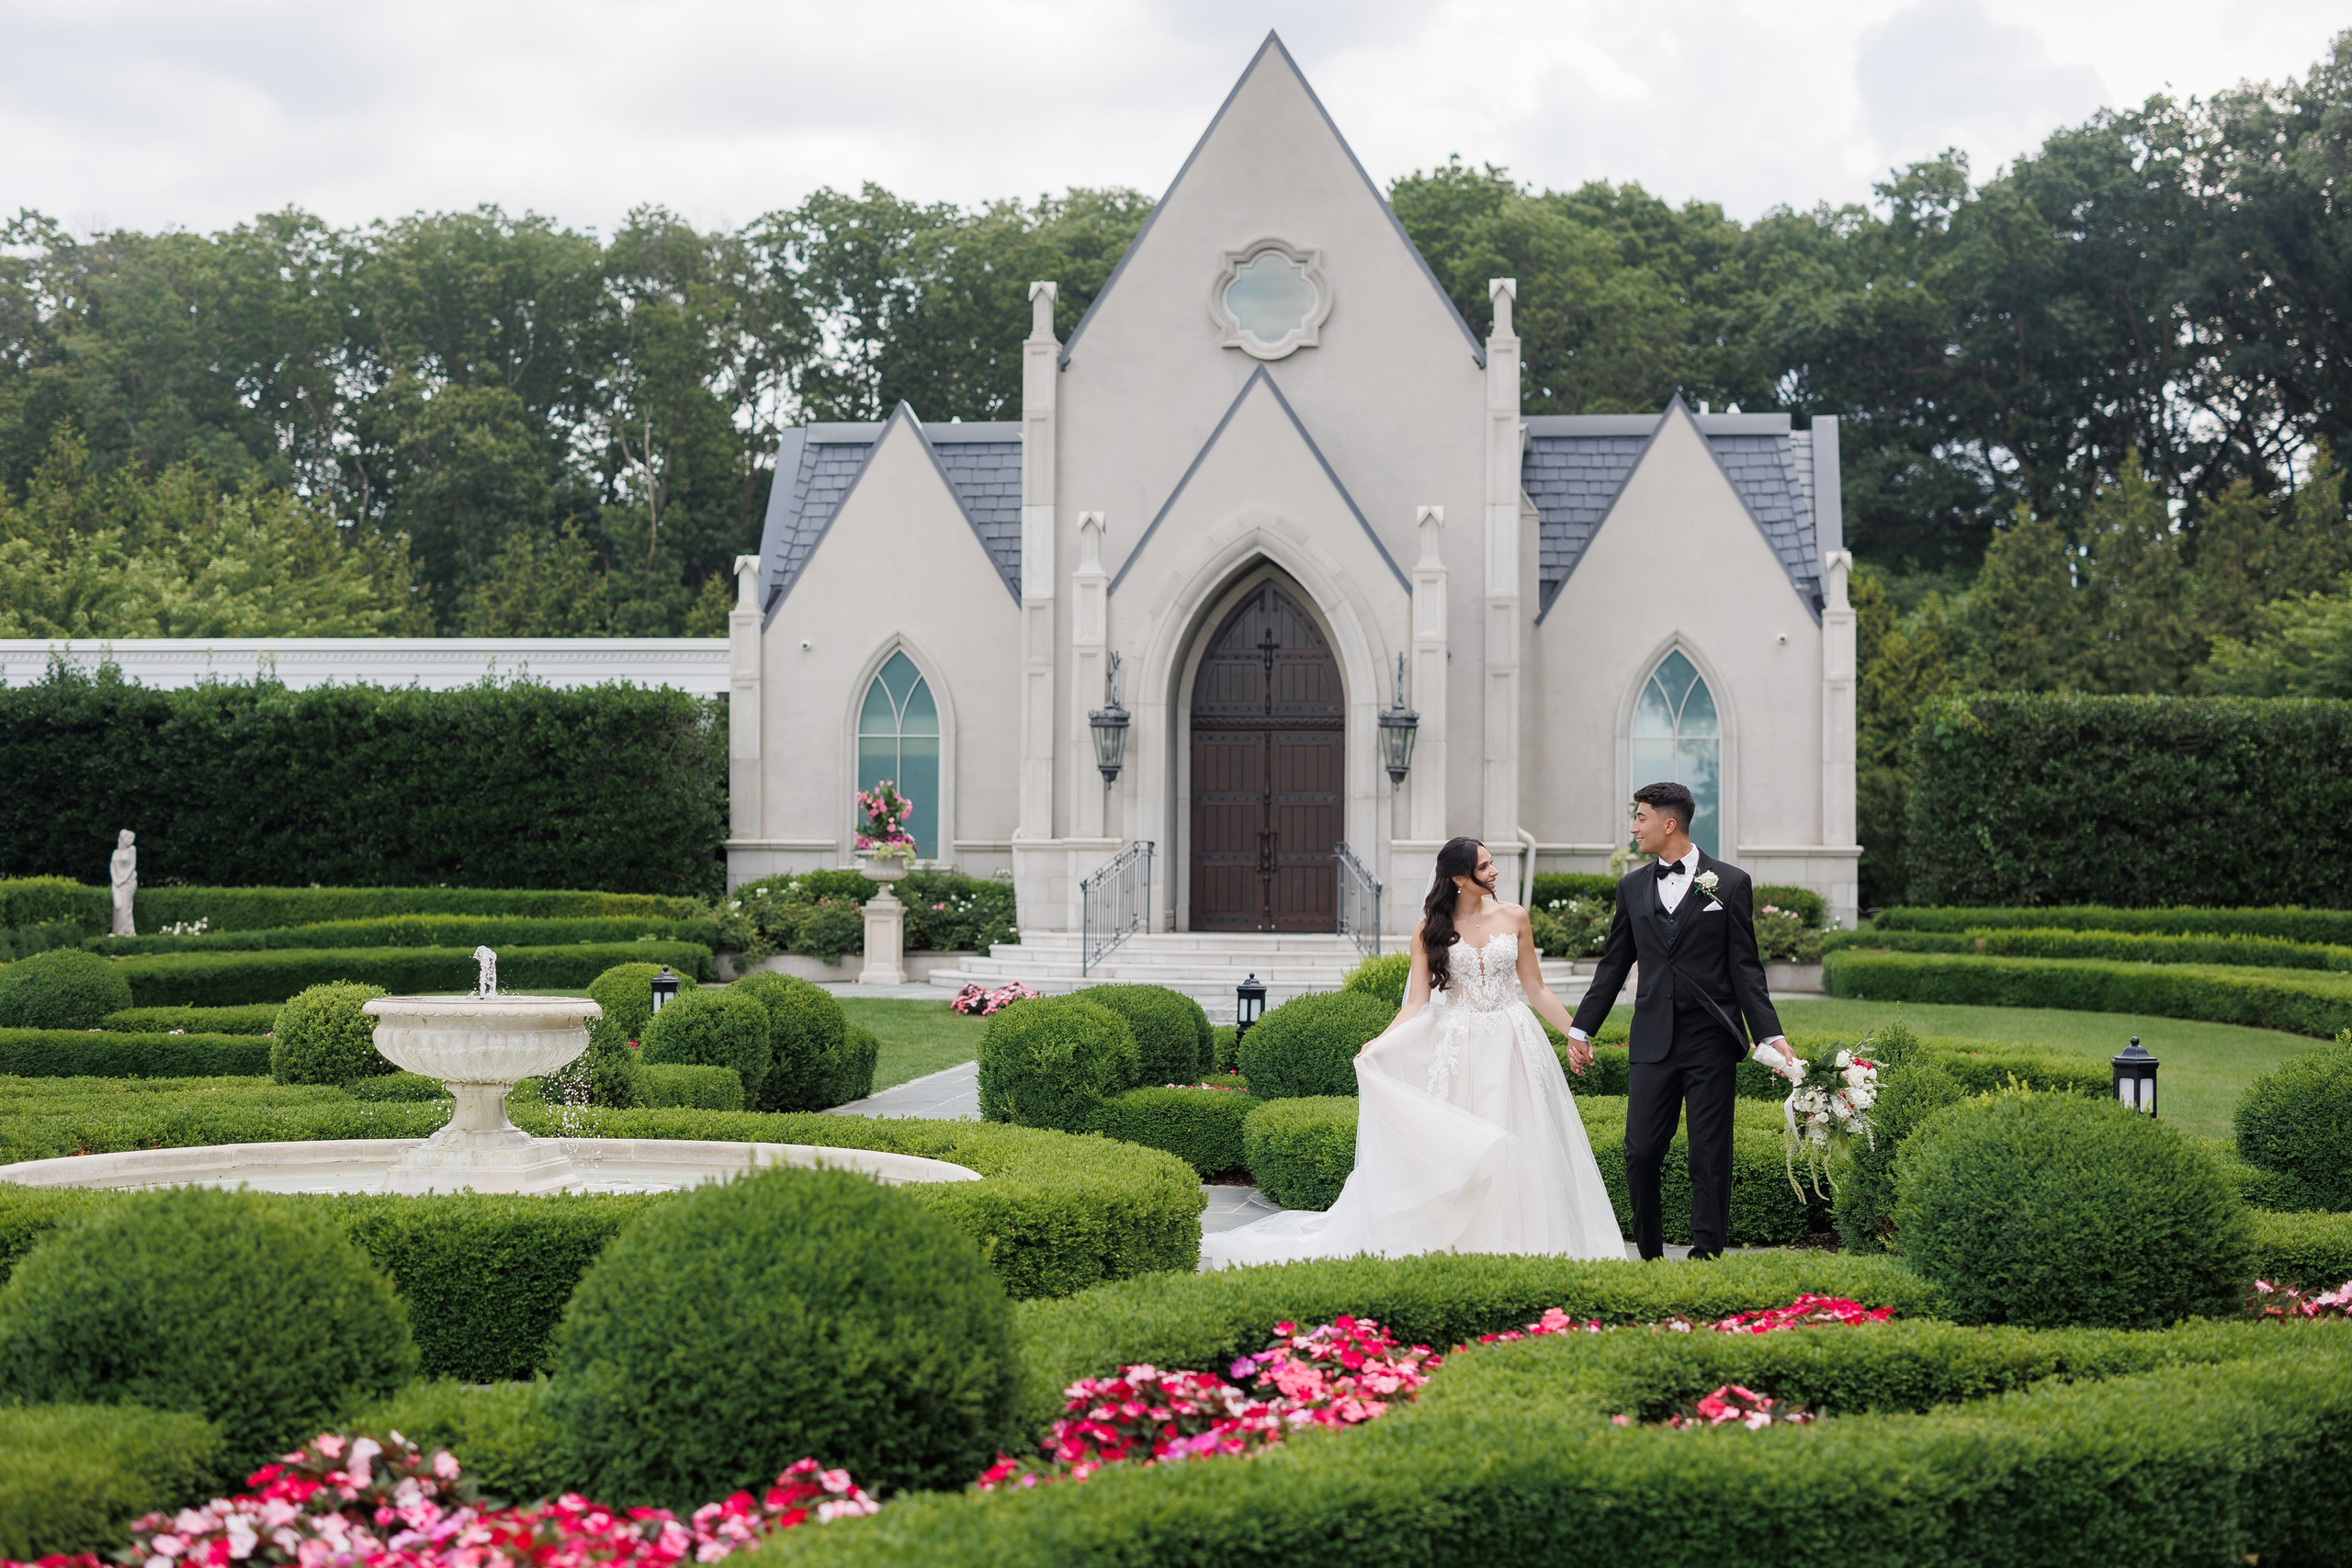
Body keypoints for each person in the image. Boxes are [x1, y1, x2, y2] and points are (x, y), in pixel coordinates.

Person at [1199, 836, 1623, 1269]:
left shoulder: (1515, 916)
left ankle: (1524, 1242)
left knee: (1525, 1137)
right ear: (1459, 878)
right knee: (1465, 1146)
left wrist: (1577, 1032)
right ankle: (1463, 1244)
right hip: (1459, 1048)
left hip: (1514, 1042)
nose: (1495, 871)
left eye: (1493, 862)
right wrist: (1379, 1042)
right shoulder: (1428, 931)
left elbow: (1535, 988)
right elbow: (1416, 1002)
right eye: (1485, 866)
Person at [1565, 782, 1803, 1260]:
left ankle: (1706, 1253)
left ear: (1668, 824)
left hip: (1711, 1040)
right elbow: (1614, 964)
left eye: (1641, 818)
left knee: (1709, 1154)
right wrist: (1581, 1028)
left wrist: (1770, 1036)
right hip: (1652, 1039)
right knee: (1641, 1152)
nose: (1634, 827)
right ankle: (1649, 1256)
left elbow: (1746, 968)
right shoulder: (1631, 887)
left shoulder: (1730, 883)